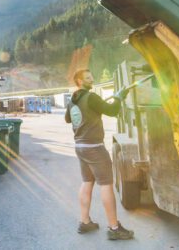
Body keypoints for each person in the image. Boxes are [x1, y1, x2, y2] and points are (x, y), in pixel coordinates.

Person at [65, 69, 134, 240]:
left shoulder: (72, 100)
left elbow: (68, 119)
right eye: (88, 78)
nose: (92, 79)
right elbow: (112, 111)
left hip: (80, 146)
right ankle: (114, 227)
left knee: (87, 181)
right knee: (106, 184)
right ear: (79, 81)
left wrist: (93, 110)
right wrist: (118, 97)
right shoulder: (92, 97)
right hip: (94, 147)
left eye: (91, 76)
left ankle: (85, 222)